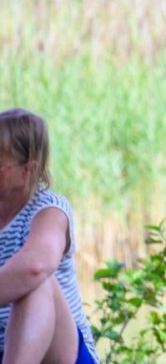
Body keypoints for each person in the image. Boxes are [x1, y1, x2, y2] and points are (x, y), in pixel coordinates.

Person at [0, 109, 96, 364]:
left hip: (62, 356)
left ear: (27, 170)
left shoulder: (50, 210)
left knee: (36, 282)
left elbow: (36, 266)